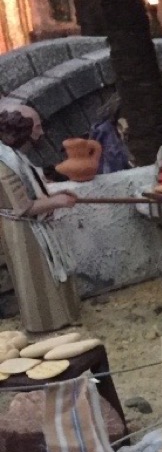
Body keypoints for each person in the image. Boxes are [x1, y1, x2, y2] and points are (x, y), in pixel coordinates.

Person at [0, 107, 81, 333]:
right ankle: (47, 322)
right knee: (37, 274)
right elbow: (22, 207)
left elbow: (33, 192)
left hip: (33, 224)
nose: (41, 132)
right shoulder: (4, 166)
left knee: (49, 272)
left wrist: (55, 196)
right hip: (23, 231)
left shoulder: (15, 157)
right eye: (36, 127)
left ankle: (65, 316)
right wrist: (58, 202)